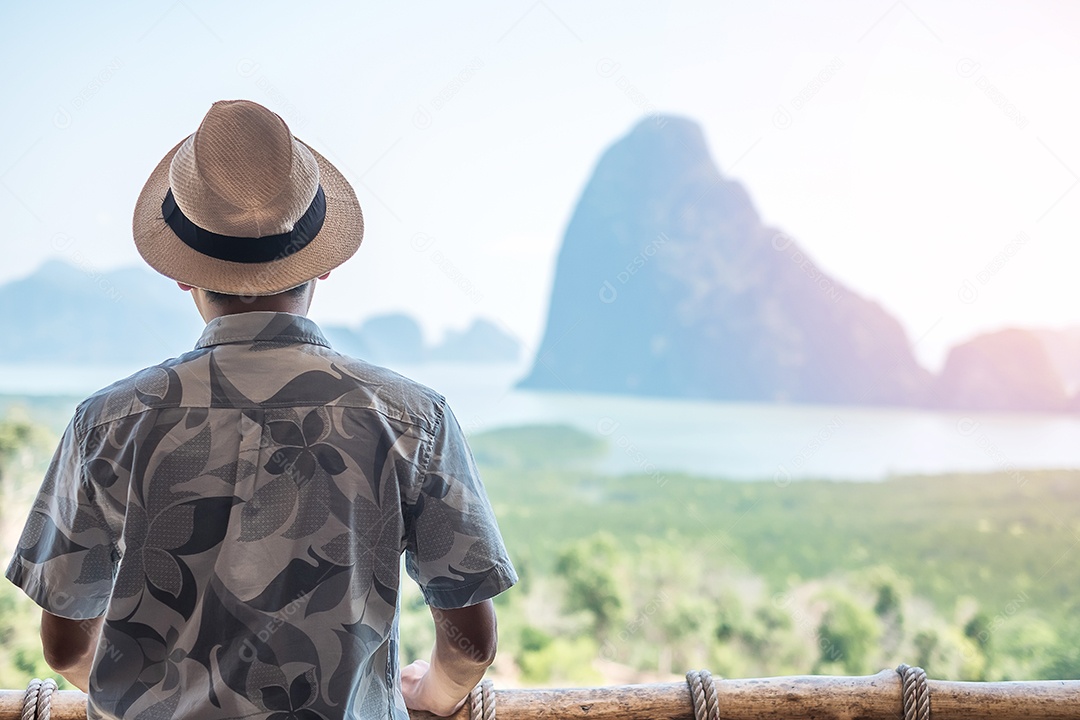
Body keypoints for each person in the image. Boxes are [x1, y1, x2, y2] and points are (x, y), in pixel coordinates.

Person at [5, 99, 517, 720]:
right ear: (322, 265)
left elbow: (64, 646)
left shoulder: (107, 424)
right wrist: (423, 695)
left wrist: (145, 695)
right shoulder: (412, 418)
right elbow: (471, 643)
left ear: (183, 274)